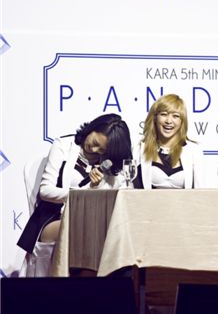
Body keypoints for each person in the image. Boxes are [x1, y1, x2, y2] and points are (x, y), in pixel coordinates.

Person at [17, 113, 132, 276]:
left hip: (90, 222)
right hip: (53, 217)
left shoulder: (106, 165)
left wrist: (95, 188)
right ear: (92, 128)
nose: (94, 149)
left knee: (107, 234)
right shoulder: (63, 145)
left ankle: (86, 293)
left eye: (102, 150)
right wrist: (80, 196)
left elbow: (105, 203)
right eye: (95, 143)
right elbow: (45, 190)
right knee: (93, 234)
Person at [133, 93, 204, 189]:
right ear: (155, 118)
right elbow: (128, 189)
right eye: (163, 114)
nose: (169, 121)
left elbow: (201, 192)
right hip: (146, 203)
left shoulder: (194, 150)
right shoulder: (139, 148)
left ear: (182, 121)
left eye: (175, 116)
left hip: (184, 204)